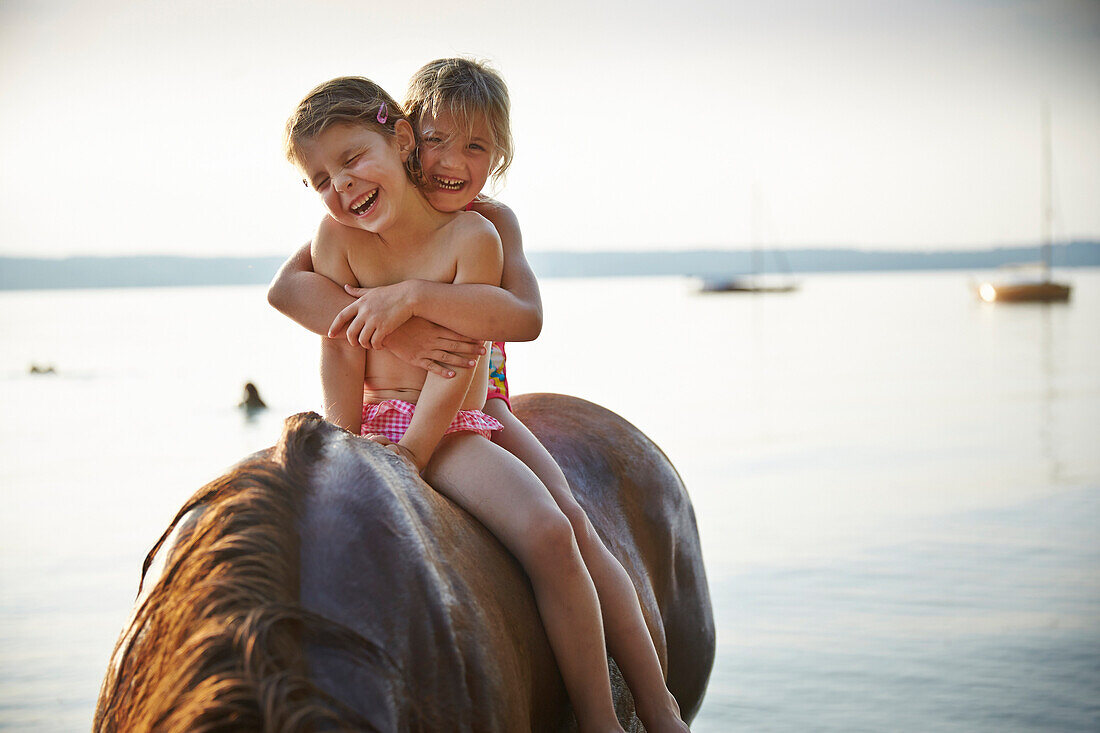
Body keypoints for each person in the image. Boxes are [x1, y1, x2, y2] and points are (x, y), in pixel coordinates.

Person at [271, 61, 687, 732]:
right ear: (409, 139)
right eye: (437, 140)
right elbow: (298, 301)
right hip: (377, 416)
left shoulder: (483, 227)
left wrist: (413, 301)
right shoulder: (344, 227)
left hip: (470, 406)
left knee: (567, 526)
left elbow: (514, 323)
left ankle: (648, 705)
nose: (450, 161)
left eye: (476, 147)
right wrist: (353, 421)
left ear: (498, 155)